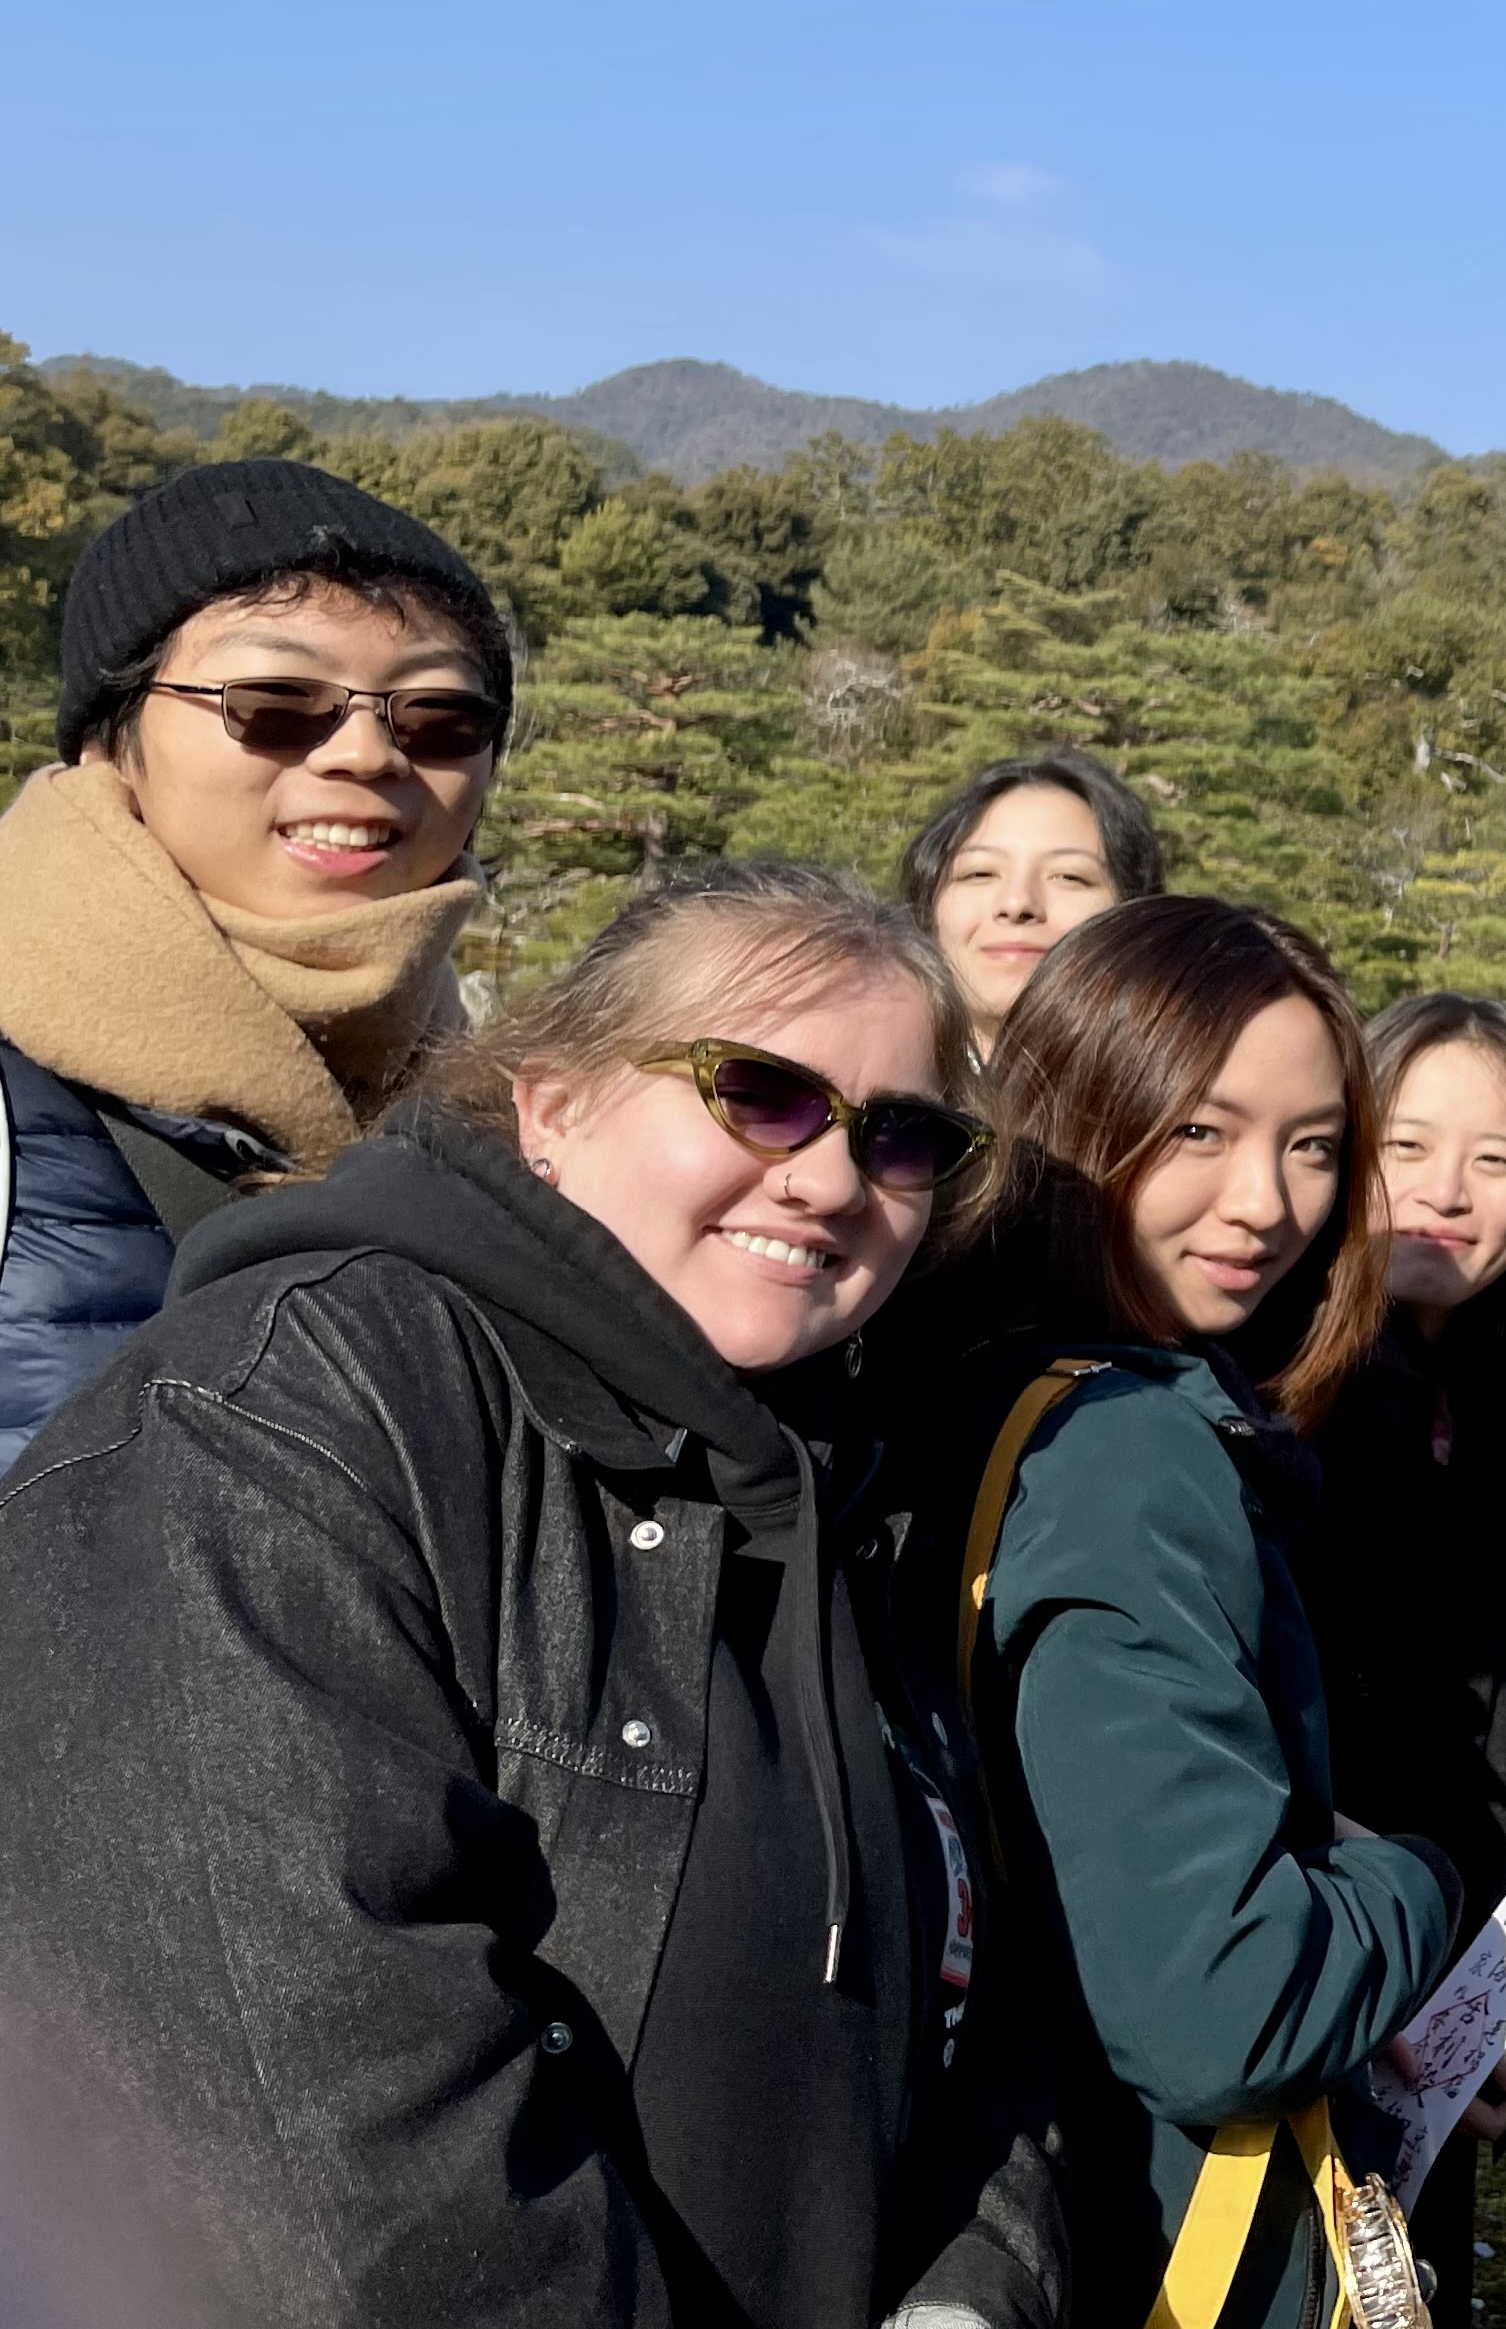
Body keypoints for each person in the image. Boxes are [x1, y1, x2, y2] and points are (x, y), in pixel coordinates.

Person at [0, 860, 1061, 2327]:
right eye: (758, 1091)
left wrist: (977, 2295)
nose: (826, 1175)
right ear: (550, 1106)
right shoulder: (288, 1414)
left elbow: (977, 2002)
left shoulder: (839, 1488)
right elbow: (311, 2126)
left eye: (901, 1135)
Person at [919, 896, 1466, 2329]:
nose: (1266, 1206)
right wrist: (1416, 1882)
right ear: (1072, 1115)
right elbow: (1222, 2012)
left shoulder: (961, 1390)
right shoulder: (1132, 1452)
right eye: (1199, 1133)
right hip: (1168, 2239)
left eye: (1313, 1147)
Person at [0, 456, 508, 1472]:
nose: (368, 756)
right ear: (109, 742)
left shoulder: (496, 1117)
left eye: (439, 720)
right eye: (275, 702)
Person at [1290, 995, 1506, 2329]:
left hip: (1450, 2009)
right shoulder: (1277, 1403)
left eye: (1498, 1159)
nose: (1448, 1194)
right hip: (1319, 1982)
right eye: (1406, 1147)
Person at [901, 748, 1168, 1056]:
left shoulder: (1191, 1098)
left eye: (1068, 877)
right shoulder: (859, 1091)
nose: (1017, 904)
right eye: (980, 873)